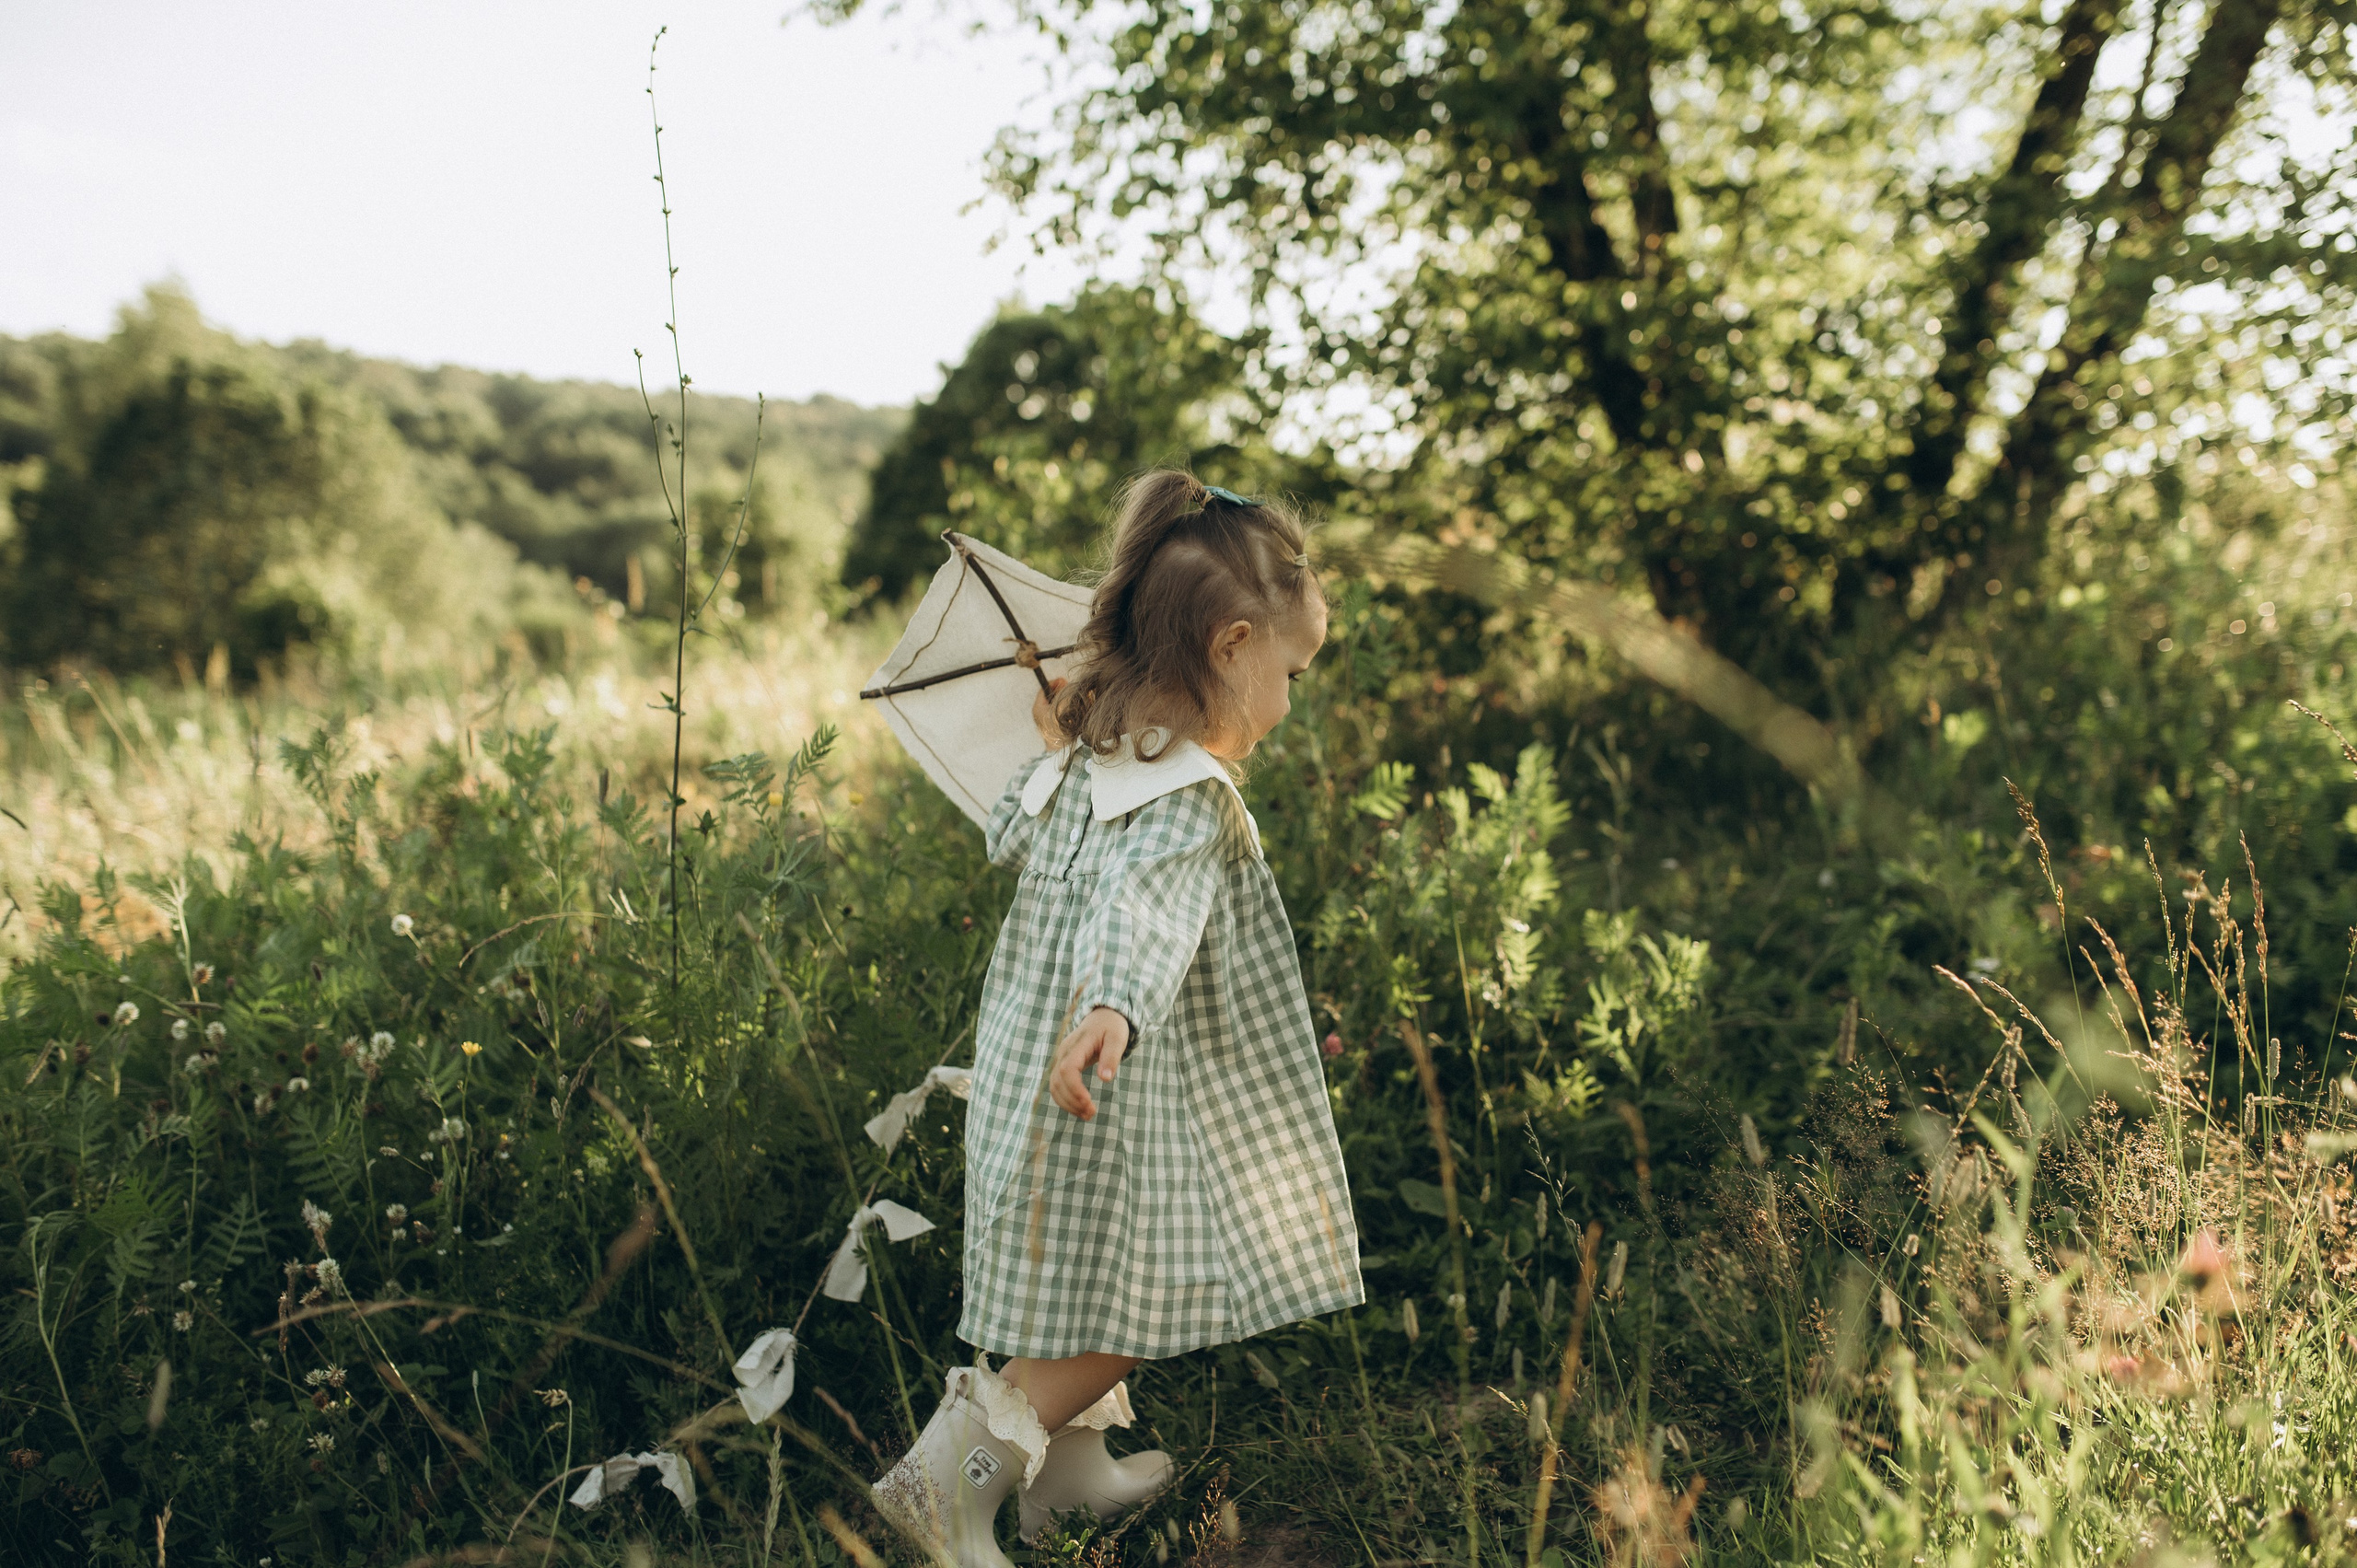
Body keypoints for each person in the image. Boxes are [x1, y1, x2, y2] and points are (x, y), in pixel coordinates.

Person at [872, 471, 1365, 1564]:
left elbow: (1014, 831)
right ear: (1232, 645)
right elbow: (1143, 909)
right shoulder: (1182, 795)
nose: (1290, 702)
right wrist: (1112, 1006)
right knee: (1140, 1303)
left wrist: (1060, 743)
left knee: (1090, 1286)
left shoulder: (1086, 768)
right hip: (1114, 1084)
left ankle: (1065, 1476)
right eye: (1291, 674)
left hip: (1050, 1076)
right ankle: (941, 1483)